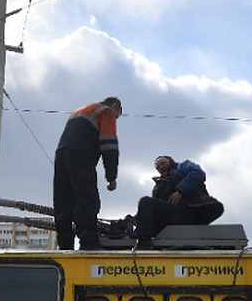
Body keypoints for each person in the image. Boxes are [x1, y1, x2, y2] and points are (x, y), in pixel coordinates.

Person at [53, 97, 122, 250]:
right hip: (81, 153)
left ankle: (64, 244)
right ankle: (88, 242)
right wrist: (111, 177)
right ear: (115, 107)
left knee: (63, 199)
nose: (115, 120)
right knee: (86, 197)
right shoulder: (106, 111)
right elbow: (109, 144)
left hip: (61, 153)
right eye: (117, 116)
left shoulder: (80, 111)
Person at [132, 155, 224, 245]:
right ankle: (140, 237)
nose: (160, 167)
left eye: (163, 163)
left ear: (171, 162)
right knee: (146, 204)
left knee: (146, 201)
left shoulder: (182, 167)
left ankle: (144, 243)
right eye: (157, 167)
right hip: (173, 217)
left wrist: (181, 192)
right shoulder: (158, 187)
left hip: (191, 210)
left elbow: (198, 173)